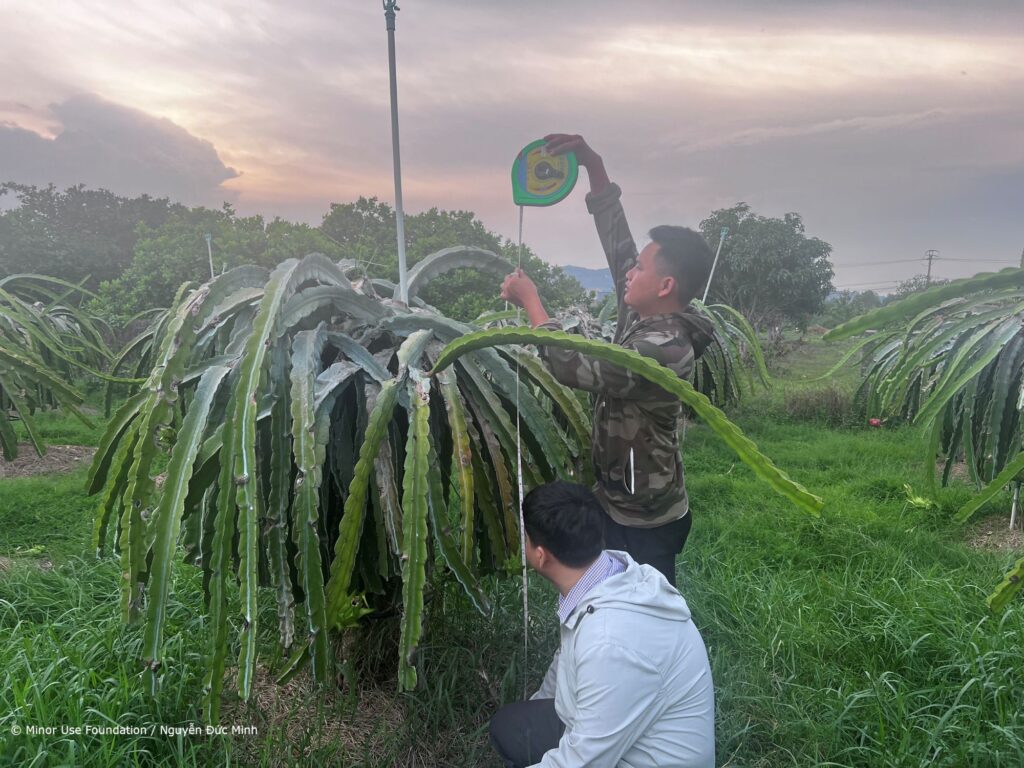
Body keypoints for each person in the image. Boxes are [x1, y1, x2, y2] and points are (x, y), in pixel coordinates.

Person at [501, 133, 715, 588]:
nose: (627, 272)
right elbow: (618, 240)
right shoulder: (647, 310)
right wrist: (592, 165)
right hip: (619, 501)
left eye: (638, 269)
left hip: (646, 519)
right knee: (616, 595)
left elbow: (569, 365)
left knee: (647, 609)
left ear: (665, 286)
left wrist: (531, 301)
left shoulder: (664, 349)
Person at [489, 481, 715, 768]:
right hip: (636, 733)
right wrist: (536, 705)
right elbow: (566, 661)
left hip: (649, 760)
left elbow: (584, 762)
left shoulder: (610, 644)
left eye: (526, 537)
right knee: (512, 726)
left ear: (540, 555)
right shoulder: (607, 576)